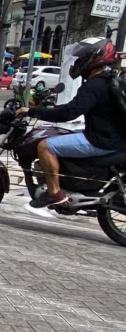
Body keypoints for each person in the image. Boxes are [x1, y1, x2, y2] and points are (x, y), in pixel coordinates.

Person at [16, 37, 126, 208]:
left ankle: (54, 193)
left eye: (83, 58)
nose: (79, 62)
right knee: (62, 136)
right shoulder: (108, 80)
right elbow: (75, 107)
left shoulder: (94, 85)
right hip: (111, 137)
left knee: (45, 146)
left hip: (100, 140)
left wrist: (32, 111)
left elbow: (69, 113)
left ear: (95, 57)